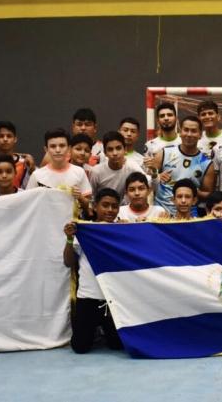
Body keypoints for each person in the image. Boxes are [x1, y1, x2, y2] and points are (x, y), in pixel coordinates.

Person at [63, 188, 123, 354]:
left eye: (114, 206)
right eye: (105, 205)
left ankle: (104, 332)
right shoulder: (84, 231)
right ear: (95, 206)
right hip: (88, 297)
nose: (110, 210)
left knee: (118, 345)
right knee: (80, 347)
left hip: (114, 298)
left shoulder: (123, 230)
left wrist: (128, 230)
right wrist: (69, 239)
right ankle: (96, 332)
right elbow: (68, 262)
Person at [152, 116, 214, 215]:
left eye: (193, 131)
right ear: (180, 132)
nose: (189, 134)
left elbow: (208, 193)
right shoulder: (164, 153)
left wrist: (192, 190)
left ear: (200, 135)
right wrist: (157, 176)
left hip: (189, 216)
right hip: (162, 212)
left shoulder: (206, 163)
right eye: (186, 130)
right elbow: (147, 182)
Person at [27, 128, 92, 214]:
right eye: (53, 146)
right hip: (44, 223)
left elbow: (88, 206)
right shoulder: (37, 175)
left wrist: (80, 197)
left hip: (72, 225)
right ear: (46, 149)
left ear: (69, 148)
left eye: (62, 146)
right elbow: (28, 204)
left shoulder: (79, 172)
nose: (58, 150)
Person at [88, 131, 144, 201]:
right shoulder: (96, 172)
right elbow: (91, 197)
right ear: (105, 153)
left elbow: (149, 183)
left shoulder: (132, 167)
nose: (115, 153)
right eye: (110, 149)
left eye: (118, 148)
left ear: (125, 150)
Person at [0, 121, 34, 192]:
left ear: (15, 139)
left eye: (9, 136)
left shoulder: (25, 163)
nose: (5, 139)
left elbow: (30, 191)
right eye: (1, 136)